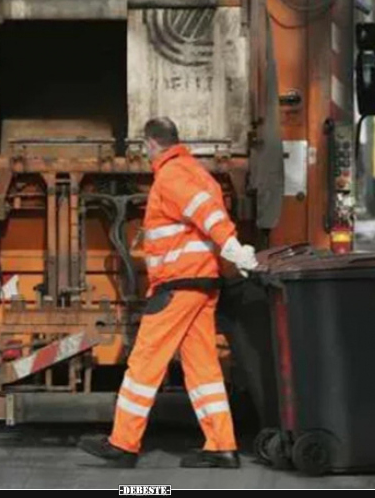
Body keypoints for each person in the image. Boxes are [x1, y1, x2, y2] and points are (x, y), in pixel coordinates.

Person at [79, 118, 258, 469]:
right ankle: (222, 446)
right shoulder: (199, 172)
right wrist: (229, 253)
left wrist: (233, 248)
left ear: (150, 144)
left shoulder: (172, 176)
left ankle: (123, 443)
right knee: (203, 368)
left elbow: (207, 215)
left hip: (177, 285)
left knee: (144, 363)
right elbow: (210, 212)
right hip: (202, 285)